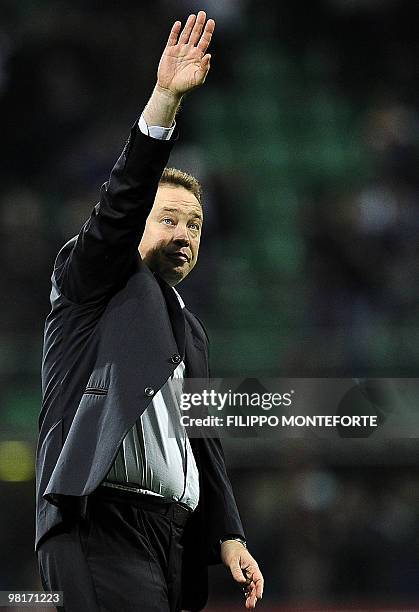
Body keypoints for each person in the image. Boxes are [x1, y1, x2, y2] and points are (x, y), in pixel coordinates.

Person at [35, 10, 264, 612]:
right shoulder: (91, 281)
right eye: (167, 218)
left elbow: (203, 437)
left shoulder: (189, 326)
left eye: (195, 224)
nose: (185, 232)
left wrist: (229, 531)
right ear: (134, 224)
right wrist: (164, 101)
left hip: (171, 539)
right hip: (99, 522)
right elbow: (120, 203)